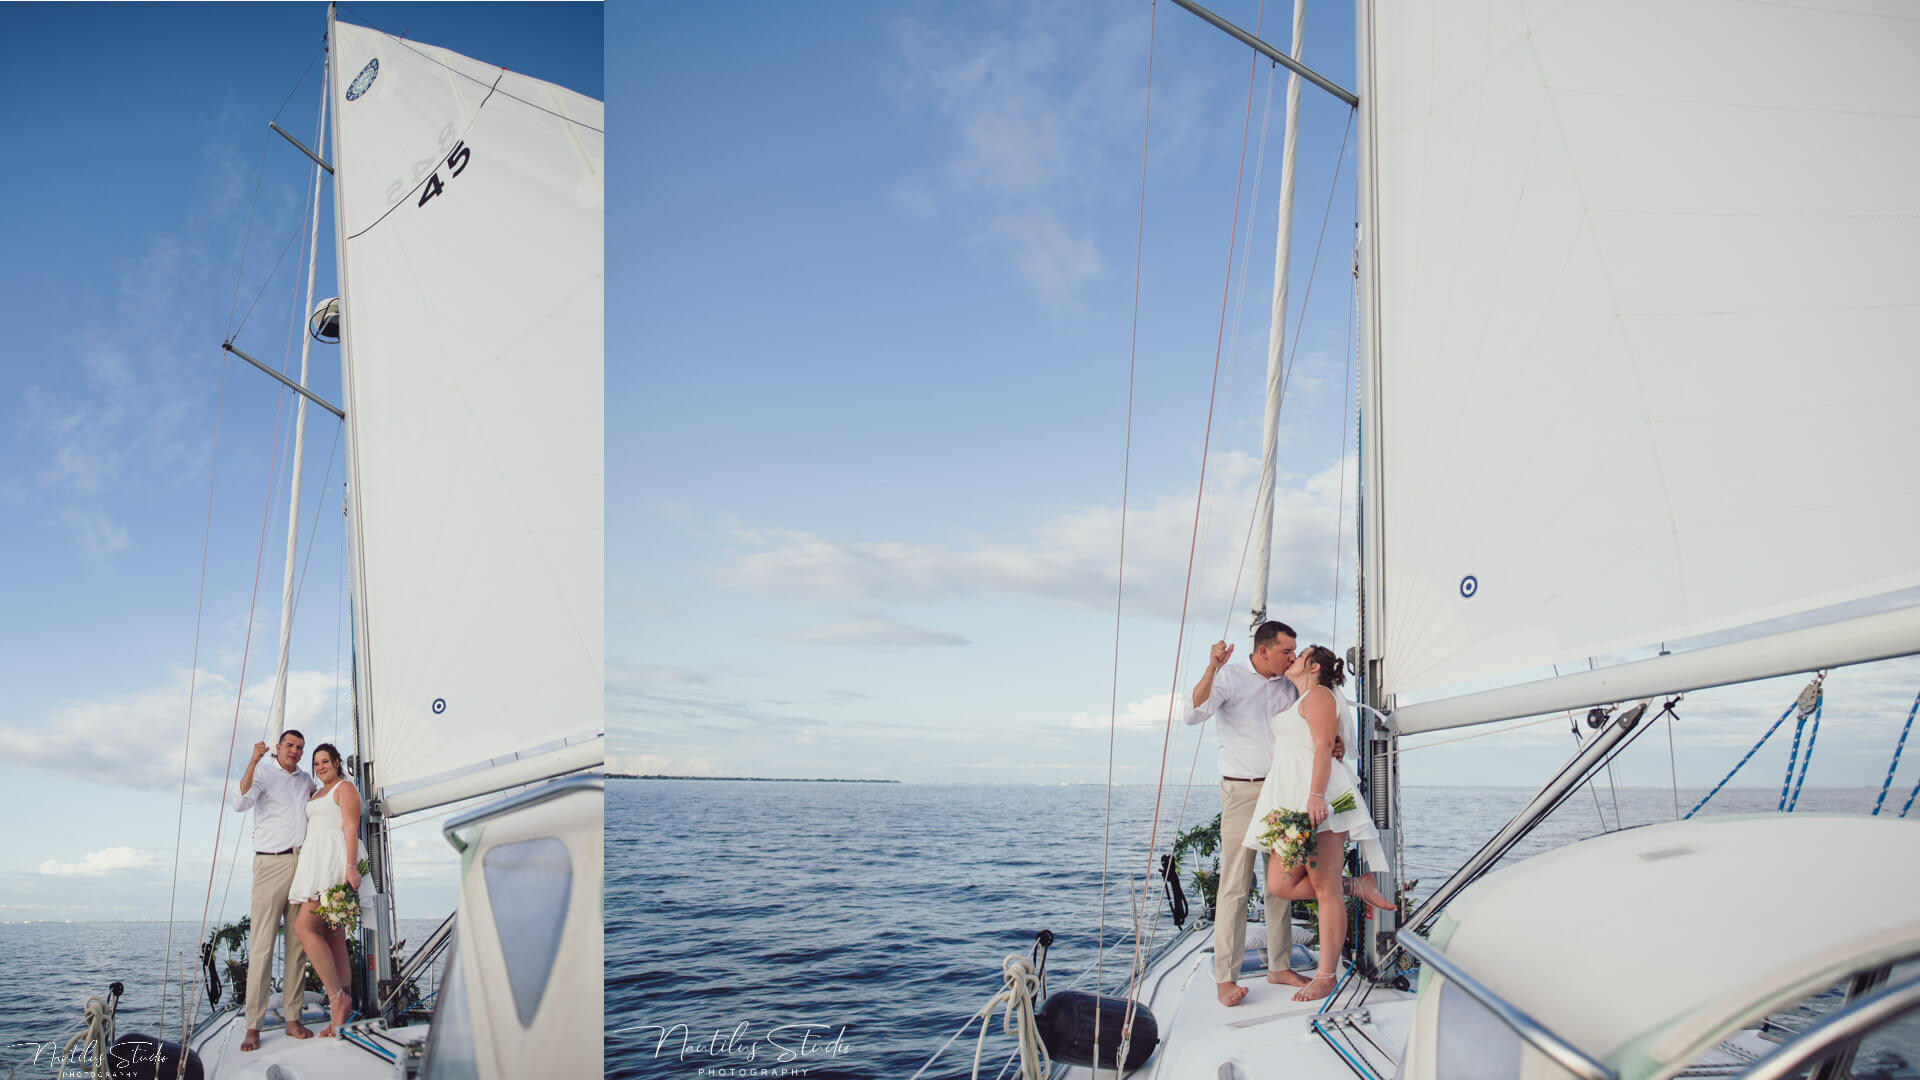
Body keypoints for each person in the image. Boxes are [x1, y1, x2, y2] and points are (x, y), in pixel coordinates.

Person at [1245, 644, 1394, 1003]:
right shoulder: (1302, 700)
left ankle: (1326, 976)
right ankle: (1357, 885)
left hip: (1321, 799)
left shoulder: (1321, 696)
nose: (1293, 659)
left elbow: (1325, 744)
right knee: (1280, 884)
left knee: (1324, 887)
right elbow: (1318, 744)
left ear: (1312, 667)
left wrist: (1314, 795)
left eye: (1300, 655)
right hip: (1294, 801)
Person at [1181, 620, 1307, 1007]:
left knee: (1279, 884)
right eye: (1287, 651)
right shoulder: (1230, 678)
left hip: (1282, 791)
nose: (1293, 657)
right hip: (1241, 790)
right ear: (1264, 649)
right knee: (1235, 885)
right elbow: (1192, 713)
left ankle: (1279, 965)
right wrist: (1211, 667)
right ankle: (1225, 978)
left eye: (1294, 651)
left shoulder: (1291, 686)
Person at [230, 730, 317, 1051]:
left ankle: (293, 1018)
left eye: (299, 748)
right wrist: (253, 760)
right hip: (270, 864)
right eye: (289, 746)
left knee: (298, 946)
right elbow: (240, 802)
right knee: (263, 947)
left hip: (302, 864)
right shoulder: (264, 773)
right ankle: (253, 1024)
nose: (294, 751)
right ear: (278, 748)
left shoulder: (307, 781)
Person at [288, 743, 362, 1037]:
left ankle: (337, 997)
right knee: (333, 937)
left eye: (325, 762)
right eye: (316, 763)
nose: (320, 767)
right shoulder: (316, 792)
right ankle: (340, 1015)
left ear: (336, 762)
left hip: (333, 861)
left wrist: (350, 867)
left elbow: (350, 828)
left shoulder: (344, 788)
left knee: (304, 928)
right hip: (315, 862)